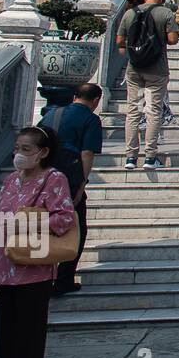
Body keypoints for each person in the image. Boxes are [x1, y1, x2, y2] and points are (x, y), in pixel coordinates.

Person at [0, 126, 76, 358]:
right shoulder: (11, 180)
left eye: (26, 149)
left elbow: (64, 219)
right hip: (4, 263)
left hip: (33, 267)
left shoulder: (53, 179)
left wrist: (28, 223)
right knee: (7, 332)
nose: (19, 155)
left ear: (43, 152)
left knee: (29, 333)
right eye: (17, 149)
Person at [40, 83, 103, 296]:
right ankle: (63, 279)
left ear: (75, 96)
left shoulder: (52, 113)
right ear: (96, 101)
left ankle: (39, 275)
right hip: (68, 180)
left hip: (41, 178)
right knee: (77, 229)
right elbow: (87, 153)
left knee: (41, 226)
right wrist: (82, 183)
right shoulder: (90, 119)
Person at [116, 0, 179, 171]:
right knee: (153, 112)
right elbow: (173, 39)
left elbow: (120, 41)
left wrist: (135, 49)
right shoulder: (165, 13)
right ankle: (150, 157)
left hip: (134, 69)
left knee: (133, 112)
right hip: (157, 69)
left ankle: (130, 157)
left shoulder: (130, 13)